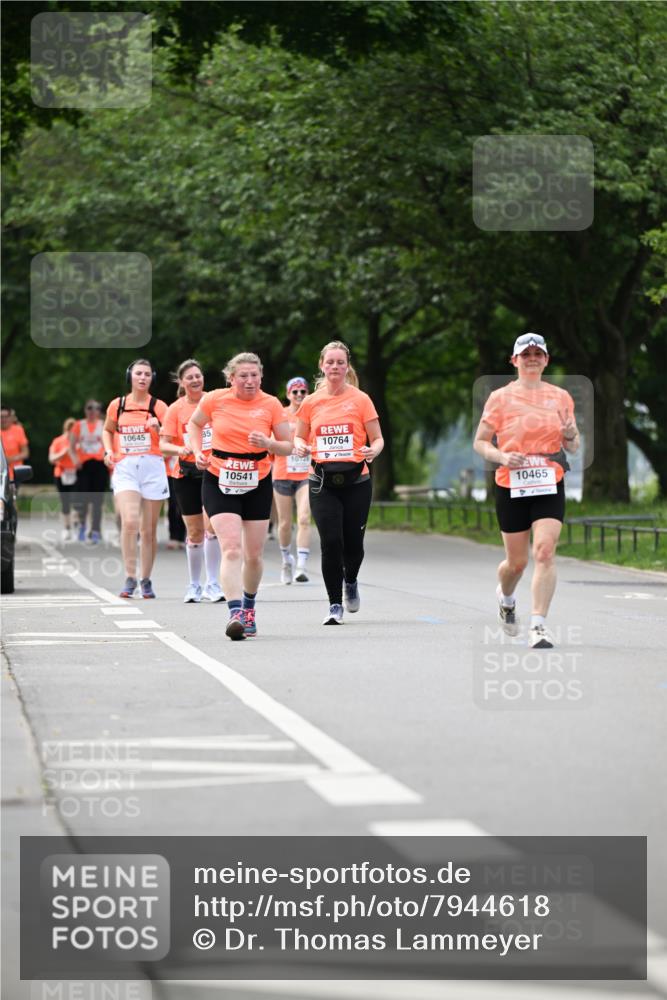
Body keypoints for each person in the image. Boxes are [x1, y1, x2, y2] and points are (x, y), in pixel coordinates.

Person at [473, 332, 580, 649]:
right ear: (515, 360)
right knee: (516, 563)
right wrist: (502, 456)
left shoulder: (561, 397)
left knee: (545, 551)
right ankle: (505, 597)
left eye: (538, 353)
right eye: (526, 354)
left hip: (549, 481)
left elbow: (571, 446)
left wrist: (572, 435)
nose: (532, 358)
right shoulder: (500, 398)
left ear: (546, 360)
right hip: (511, 484)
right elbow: (480, 442)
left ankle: (539, 625)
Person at [187, 352, 293, 640]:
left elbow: (288, 446)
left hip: (257, 480)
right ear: (231, 378)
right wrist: (198, 451)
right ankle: (235, 613)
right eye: (243, 375)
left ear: (261, 376)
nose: (249, 380)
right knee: (231, 548)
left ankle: (249, 606)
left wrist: (269, 442)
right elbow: (194, 425)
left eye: (254, 375)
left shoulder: (270, 404)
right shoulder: (215, 399)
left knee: (254, 555)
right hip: (219, 477)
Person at [294, 341, 384, 625]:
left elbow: (378, 438)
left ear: (347, 367)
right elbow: (299, 435)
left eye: (340, 362)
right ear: (322, 365)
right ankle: (334, 604)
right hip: (321, 481)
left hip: (357, 479)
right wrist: (299, 446)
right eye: (330, 362)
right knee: (330, 542)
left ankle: (351, 580)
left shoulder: (361, 399)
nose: (335, 367)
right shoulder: (310, 402)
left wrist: (374, 450)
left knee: (353, 545)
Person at [102, 359, 169, 599]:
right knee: (130, 523)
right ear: (130, 376)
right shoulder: (117, 405)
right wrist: (108, 451)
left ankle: (146, 579)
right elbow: (107, 431)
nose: (142, 378)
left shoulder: (159, 406)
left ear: (152, 378)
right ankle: (130, 577)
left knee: (148, 529)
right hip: (126, 466)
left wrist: (158, 427)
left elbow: (170, 439)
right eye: (138, 373)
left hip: (152, 466)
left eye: (147, 374)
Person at [160, 358, 224, 603]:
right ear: (181, 382)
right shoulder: (175, 409)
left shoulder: (215, 401)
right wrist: (181, 450)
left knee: (212, 527)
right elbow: (163, 445)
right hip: (185, 473)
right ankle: (194, 585)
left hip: (213, 470)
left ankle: (213, 583)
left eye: (198, 375)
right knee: (195, 531)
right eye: (190, 377)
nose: (195, 380)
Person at [272, 376, 312, 584]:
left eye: (303, 391)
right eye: (295, 392)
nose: (299, 395)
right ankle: (286, 559)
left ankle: (301, 566)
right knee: (285, 524)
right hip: (282, 473)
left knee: (304, 518)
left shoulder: (311, 414)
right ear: (288, 394)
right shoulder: (280, 415)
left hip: (306, 474)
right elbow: (272, 443)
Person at [70, 400, 108, 544]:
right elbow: (71, 447)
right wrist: (75, 460)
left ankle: (96, 530)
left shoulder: (103, 424)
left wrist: (106, 457)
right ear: (85, 410)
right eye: (90, 408)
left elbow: (109, 443)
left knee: (97, 500)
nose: (93, 411)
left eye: (97, 408)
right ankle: (82, 526)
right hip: (84, 465)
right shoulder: (78, 425)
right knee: (83, 499)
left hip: (99, 465)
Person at [48, 417, 78, 541]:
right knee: (65, 502)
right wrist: (64, 452)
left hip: (76, 473)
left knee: (78, 501)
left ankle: (77, 524)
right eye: (69, 430)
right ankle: (67, 528)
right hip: (61, 473)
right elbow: (51, 458)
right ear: (65, 430)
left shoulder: (79, 442)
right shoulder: (58, 441)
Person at [1, 406, 29, 477]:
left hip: (14, 473)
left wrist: (10, 459)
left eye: (6, 417)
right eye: (1, 417)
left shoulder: (18, 430)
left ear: (10, 418)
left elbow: (25, 453)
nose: (3, 419)